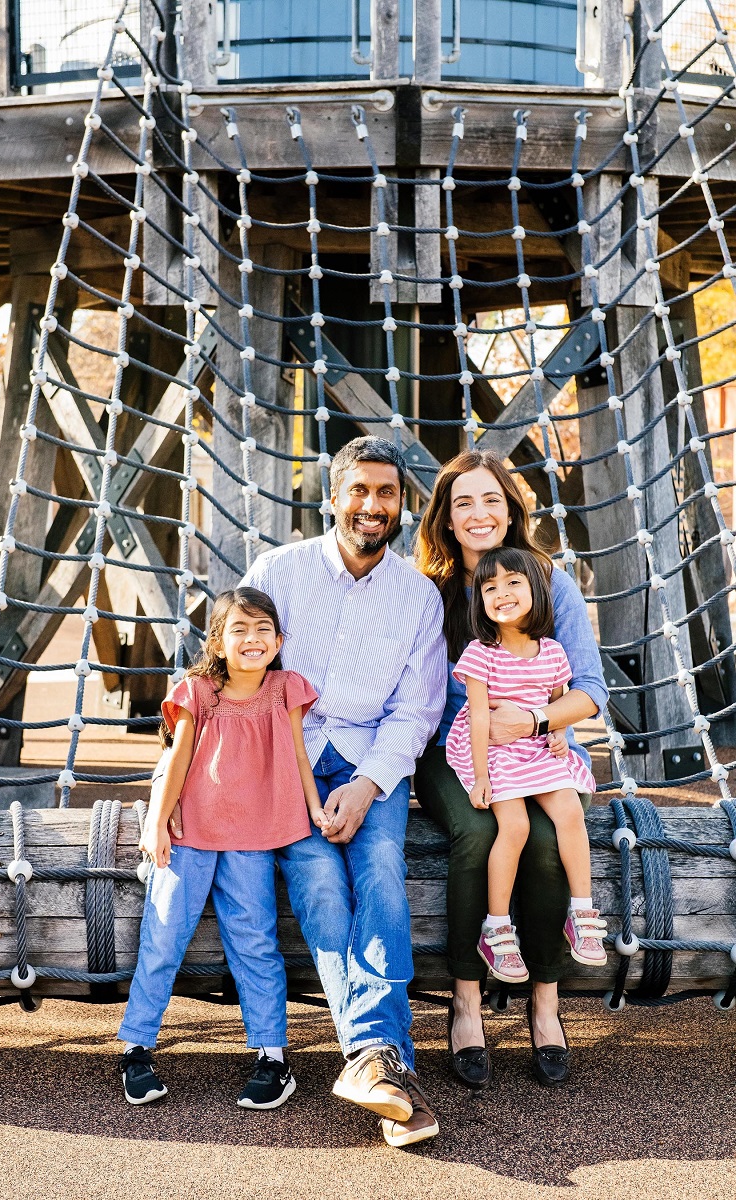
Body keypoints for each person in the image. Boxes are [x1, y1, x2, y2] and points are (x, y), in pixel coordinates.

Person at [242, 435, 447, 1149]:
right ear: (333, 497)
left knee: (381, 873)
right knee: (320, 883)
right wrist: (297, 778)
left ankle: (370, 1061)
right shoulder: (280, 570)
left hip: (372, 760)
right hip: (284, 758)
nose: (371, 505)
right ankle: (379, 1060)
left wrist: (366, 785)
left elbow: (417, 709)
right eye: (358, 490)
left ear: (400, 504)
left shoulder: (418, 596)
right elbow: (248, 675)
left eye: (385, 493)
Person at [414, 449, 608, 1090]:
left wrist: (531, 722)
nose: (479, 513)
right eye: (462, 501)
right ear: (444, 516)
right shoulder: (428, 590)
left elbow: (589, 691)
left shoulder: (550, 582)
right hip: (453, 749)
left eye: (491, 498)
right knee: (478, 833)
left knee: (551, 839)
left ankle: (545, 1000)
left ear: (512, 507)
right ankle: (466, 999)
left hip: (533, 745)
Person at [117, 587, 324, 1109]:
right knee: (164, 935)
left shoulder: (286, 689)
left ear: (279, 640)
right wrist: (156, 822)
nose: (251, 639)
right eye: (239, 629)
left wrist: (315, 808)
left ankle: (272, 1057)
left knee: (255, 943)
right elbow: (180, 757)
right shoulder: (198, 691)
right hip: (191, 836)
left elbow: (299, 756)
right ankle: (136, 1047)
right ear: (218, 640)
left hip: (254, 837)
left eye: (262, 630)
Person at [446, 545, 606, 988]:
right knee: (513, 827)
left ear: (536, 589)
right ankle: (496, 927)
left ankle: (581, 910)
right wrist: (479, 776)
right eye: (490, 587)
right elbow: (478, 717)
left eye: (513, 582)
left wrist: (556, 735)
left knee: (570, 811)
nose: (502, 593)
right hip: (492, 749)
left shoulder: (552, 652)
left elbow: (555, 706)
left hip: (534, 745)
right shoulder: (480, 654)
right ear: (480, 601)